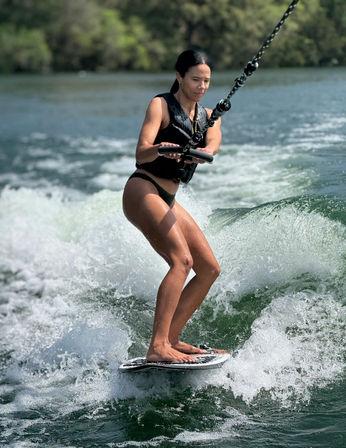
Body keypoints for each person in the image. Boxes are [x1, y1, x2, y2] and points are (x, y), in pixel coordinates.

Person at [122, 49, 222, 363]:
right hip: (143, 188)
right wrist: (161, 149)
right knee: (182, 260)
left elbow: (212, 147)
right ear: (179, 76)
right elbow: (141, 153)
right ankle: (157, 346)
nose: (201, 85)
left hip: (169, 197)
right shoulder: (161, 105)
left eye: (206, 80)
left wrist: (199, 153)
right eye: (195, 79)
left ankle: (172, 338)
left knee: (209, 269)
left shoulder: (209, 118)